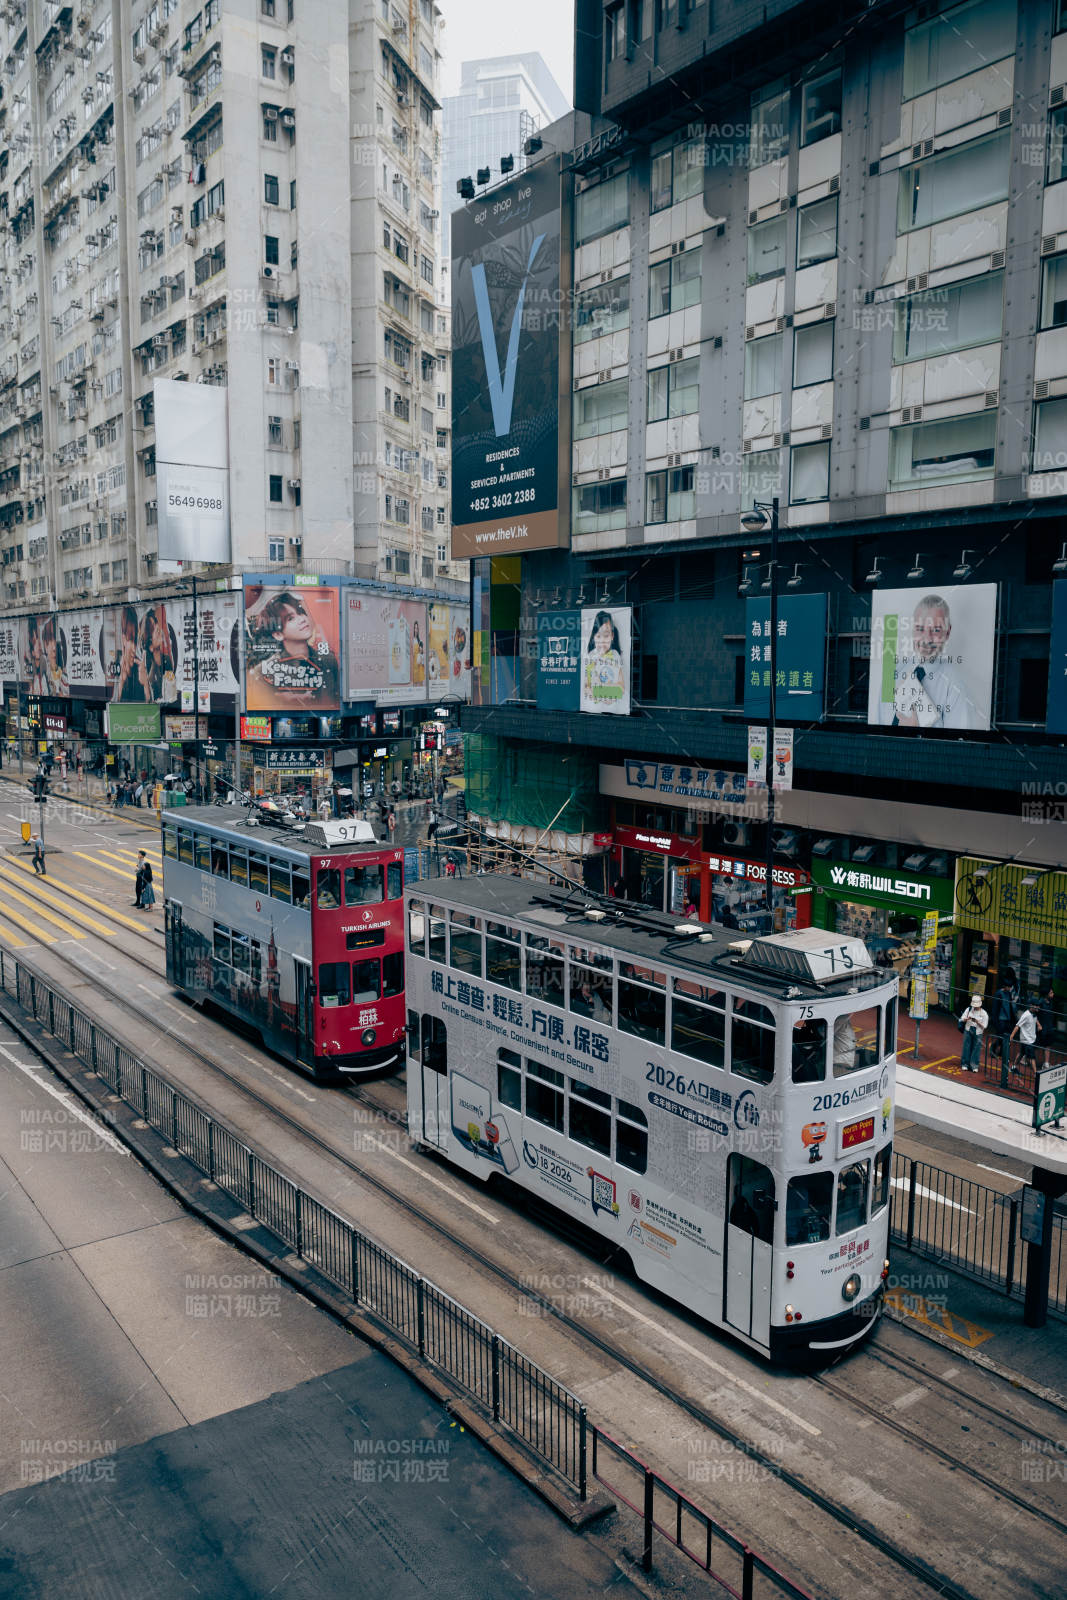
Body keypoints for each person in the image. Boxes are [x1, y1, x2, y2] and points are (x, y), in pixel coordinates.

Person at [892, 594, 980, 730]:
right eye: (920, 629)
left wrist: (912, 734)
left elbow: (956, 743)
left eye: (936, 630)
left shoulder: (956, 689)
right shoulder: (894, 671)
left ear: (947, 632)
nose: (927, 639)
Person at [245, 590, 340, 711]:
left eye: (301, 613)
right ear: (278, 634)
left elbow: (336, 700)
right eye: (291, 618)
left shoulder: (329, 661)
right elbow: (261, 706)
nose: (302, 619)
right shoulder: (263, 672)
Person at [581, 610, 626, 711]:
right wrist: (604, 692)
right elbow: (586, 687)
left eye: (606, 636)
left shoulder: (615, 655)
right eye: (598, 636)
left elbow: (621, 689)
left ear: (612, 636)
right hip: (593, 708)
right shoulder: (591, 657)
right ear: (594, 637)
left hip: (613, 709)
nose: (602, 641)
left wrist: (601, 690)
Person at [959, 993, 988, 1073]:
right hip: (968, 1029)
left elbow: (985, 1026)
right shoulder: (968, 1009)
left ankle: (974, 1065)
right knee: (966, 1047)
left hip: (978, 1031)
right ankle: (965, 1064)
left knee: (976, 1048)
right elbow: (961, 1019)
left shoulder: (984, 1013)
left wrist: (978, 1022)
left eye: (976, 1005)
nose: (975, 1007)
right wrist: (966, 1019)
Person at [1009, 1000, 1040, 1074]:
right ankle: (1036, 1074)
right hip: (1027, 1040)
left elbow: (1035, 1019)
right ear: (1031, 1006)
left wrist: (1039, 1024)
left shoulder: (1034, 1014)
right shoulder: (1026, 1015)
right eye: (1037, 1006)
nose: (1038, 1007)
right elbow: (1017, 1025)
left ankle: (1013, 1067)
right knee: (1032, 1057)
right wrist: (1011, 1036)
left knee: (1021, 1053)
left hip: (1030, 1039)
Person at [1037, 984, 1057, 1068]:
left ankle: (1046, 1063)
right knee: (1036, 1045)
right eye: (1051, 993)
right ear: (1046, 994)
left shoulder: (1051, 1002)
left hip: (1049, 1028)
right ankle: (1025, 1057)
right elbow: (1034, 1015)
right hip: (1041, 1028)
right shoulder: (1040, 1002)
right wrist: (1038, 1025)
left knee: (1048, 1045)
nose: (1053, 994)